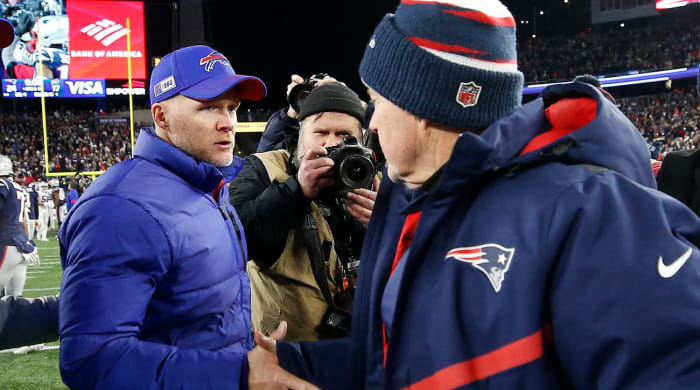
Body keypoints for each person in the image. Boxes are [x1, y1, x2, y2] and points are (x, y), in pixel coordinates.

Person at [272, 2, 700, 389]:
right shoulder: (409, 199)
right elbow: (398, 357)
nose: (374, 122)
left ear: (421, 107)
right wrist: (291, 363)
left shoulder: (590, 214)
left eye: (377, 100)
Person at [58, 45, 316, 389]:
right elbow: (93, 360)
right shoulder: (121, 207)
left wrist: (243, 349)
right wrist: (237, 372)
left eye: (232, 108)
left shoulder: (207, 184)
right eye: (209, 107)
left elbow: (190, 312)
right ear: (161, 116)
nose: (228, 123)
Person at [230, 81, 378, 341]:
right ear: (300, 133)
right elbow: (236, 241)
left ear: (362, 138)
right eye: (320, 132)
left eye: (344, 135)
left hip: (358, 345)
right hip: (288, 352)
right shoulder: (263, 168)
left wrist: (386, 224)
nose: (331, 143)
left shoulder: (371, 176)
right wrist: (295, 191)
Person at [0, 155, 40, 297]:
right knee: (13, 301)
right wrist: (28, 241)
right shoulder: (19, 188)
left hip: (6, 244)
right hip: (22, 246)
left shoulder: (3, 186)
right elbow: (24, 221)